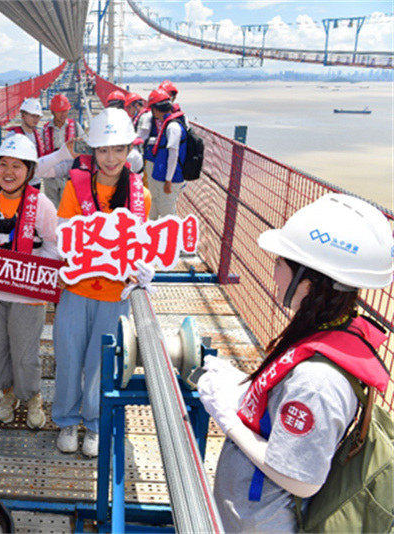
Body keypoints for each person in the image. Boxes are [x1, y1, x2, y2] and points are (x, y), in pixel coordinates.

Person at [196, 193, 394, 531]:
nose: (273, 272)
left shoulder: (317, 382)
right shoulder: (331, 330)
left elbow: (301, 480)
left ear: (309, 279)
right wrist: (243, 388)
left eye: (280, 262)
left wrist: (229, 418)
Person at [53, 109, 152, 456]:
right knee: (67, 357)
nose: (110, 159)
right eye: (103, 150)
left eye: (118, 150)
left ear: (129, 151)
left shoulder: (142, 196)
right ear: (92, 153)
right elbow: (65, 239)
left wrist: (143, 268)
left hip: (115, 294)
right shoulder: (74, 188)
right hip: (76, 290)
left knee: (102, 361)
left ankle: (93, 424)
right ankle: (66, 420)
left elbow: (141, 245)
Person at [0, 134, 59, 430]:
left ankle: (31, 397)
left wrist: (34, 275)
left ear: (29, 172)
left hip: (27, 293)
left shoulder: (41, 204)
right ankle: (7, 394)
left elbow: (54, 246)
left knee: (25, 350)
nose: (8, 172)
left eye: (17, 166)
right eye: (3, 164)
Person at [145, 89, 186, 219]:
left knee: (168, 214)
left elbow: (173, 154)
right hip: (160, 176)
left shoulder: (172, 127)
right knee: (155, 205)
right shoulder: (167, 124)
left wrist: (168, 180)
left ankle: (174, 238)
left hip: (169, 179)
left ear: (155, 110)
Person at [40, 94, 84, 208]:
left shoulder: (75, 126)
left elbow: (85, 146)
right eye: (60, 111)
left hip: (69, 173)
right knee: (51, 205)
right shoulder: (44, 129)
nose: (63, 114)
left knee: (68, 205)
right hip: (50, 175)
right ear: (52, 112)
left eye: (65, 111)